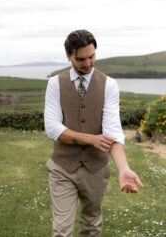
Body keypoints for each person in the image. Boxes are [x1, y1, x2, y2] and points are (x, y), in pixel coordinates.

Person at [44, 29, 144, 237]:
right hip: (63, 168)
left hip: (96, 169)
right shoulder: (55, 84)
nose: (88, 63)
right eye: (81, 59)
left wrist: (124, 169)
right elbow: (53, 128)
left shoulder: (109, 85)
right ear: (68, 56)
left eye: (92, 56)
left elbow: (113, 131)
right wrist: (91, 139)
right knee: (61, 230)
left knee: (91, 227)